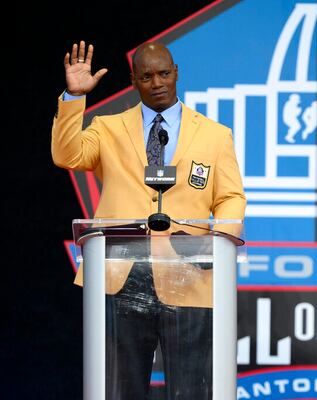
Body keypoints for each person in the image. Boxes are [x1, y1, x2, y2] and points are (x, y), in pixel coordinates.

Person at [52, 40, 246, 399]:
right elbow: (67, 155)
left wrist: (215, 248)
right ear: (133, 81)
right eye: (146, 76)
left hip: (189, 274)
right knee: (118, 389)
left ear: (176, 74)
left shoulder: (215, 135)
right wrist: (73, 98)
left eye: (164, 73)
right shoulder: (108, 128)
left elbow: (230, 197)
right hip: (119, 276)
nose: (157, 82)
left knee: (192, 390)